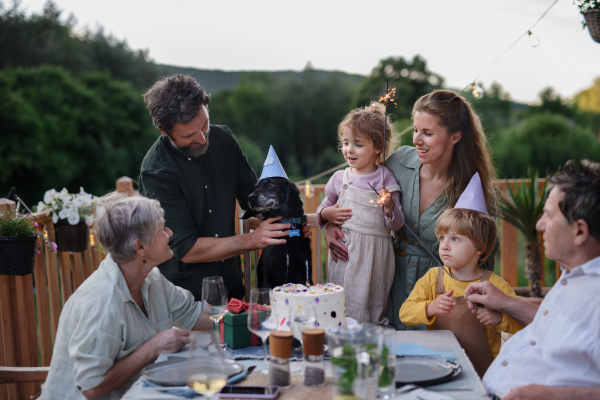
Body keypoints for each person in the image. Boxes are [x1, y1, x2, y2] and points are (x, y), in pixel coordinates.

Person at [327, 90, 499, 330]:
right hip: (389, 283)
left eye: (427, 133)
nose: (416, 139)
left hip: (441, 296)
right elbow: (357, 192)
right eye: (416, 129)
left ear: (455, 137)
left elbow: (486, 255)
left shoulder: (470, 187)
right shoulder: (397, 163)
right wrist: (331, 224)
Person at [139, 74, 307, 301]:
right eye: (189, 135)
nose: (201, 138)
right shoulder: (157, 172)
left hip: (232, 289)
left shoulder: (224, 138)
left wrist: (293, 222)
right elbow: (186, 249)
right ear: (165, 132)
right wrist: (253, 240)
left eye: (205, 125)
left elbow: (253, 199)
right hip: (183, 298)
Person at [40, 193, 213, 400]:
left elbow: (195, 314)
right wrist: (153, 347)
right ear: (140, 247)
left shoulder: (152, 279)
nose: (170, 232)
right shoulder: (101, 302)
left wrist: (252, 316)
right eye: (162, 228)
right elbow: (91, 388)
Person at [465, 159, 600, 400]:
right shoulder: (573, 275)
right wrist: (506, 302)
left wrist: (552, 395)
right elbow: (563, 330)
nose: (539, 225)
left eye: (548, 216)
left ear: (579, 231)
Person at [400, 177, 523, 376]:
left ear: (480, 247)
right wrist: (430, 307)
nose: (444, 245)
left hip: (485, 373)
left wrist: (498, 318)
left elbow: (520, 324)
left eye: (455, 239)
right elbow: (405, 313)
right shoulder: (434, 278)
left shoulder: (494, 285)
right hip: (439, 367)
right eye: (442, 238)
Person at [317, 103, 404, 324]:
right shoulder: (340, 179)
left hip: (376, 257)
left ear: (377, 147)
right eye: (345, 143)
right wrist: (327, 216)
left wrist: (389, 207)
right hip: (345, 253)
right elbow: (322, 209)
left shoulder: (386, 179)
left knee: (371, 304)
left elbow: (397, 225)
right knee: (342, 306)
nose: (349, 150)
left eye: (358, 144)